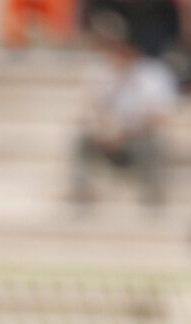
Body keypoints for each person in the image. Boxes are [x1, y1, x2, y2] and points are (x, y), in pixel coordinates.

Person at [70, 12, 179, 206]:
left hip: (137, 136)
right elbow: (91, 108)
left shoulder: (153, 74)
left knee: (152, 142)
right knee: (82, 139)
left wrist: (125, 134)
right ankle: (81, 192)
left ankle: (154, 195)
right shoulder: (99, 71)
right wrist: (105, 132)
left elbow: (160, 116)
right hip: (107, 135)